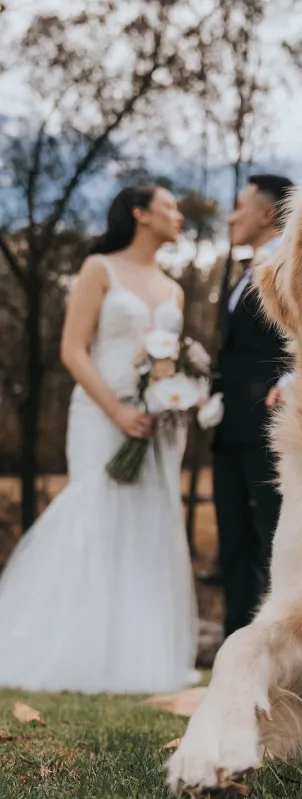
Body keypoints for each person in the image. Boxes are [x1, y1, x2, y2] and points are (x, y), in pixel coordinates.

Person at [0, 185, 200, 693]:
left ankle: (138, 656)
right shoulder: (99, 269)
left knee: (150, 522)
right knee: (96, 511)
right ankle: (74, 648)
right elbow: (73, 350)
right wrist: (116, 410)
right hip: (100, 412)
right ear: (140, 213)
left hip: (157, 423)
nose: (178, 215)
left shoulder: (174, 289)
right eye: (169, 206)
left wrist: (172, 398)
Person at [212, 174, 294, 637]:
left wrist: (290, 380)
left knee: (273, 538)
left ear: (267, 214)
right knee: (234, 543)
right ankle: (234, 647)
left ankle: (280, 646)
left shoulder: (291, 265)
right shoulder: (243, 274)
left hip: (272, 424)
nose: (231, 217)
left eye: (239, 207)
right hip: (229, 429)